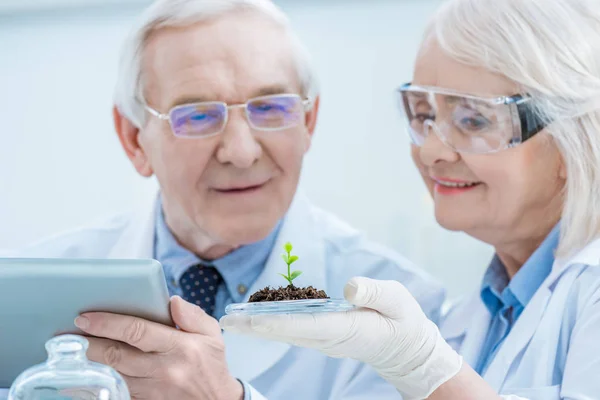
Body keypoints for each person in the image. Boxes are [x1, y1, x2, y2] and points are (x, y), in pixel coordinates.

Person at [0, 0, 445, 399]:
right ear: (134, 140)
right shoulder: (21, 297)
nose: (241, 151)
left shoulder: (403, 319)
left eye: (271, 108)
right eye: (196, 115)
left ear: (309, 121)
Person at [220, 0, 600, 399]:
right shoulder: (474, 316)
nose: (431, 150)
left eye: (473, 119)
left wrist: (423, 368)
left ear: (576, 138)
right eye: (422, 113)